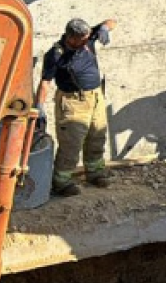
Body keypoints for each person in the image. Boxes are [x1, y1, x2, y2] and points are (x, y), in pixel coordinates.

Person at [37, 18, 118, 197]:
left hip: (95, 97)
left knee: (97, 136)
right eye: (83, 39)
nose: (87, 41)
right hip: (73, 102)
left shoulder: (88, 38)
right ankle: (61, 182)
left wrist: (104, 28)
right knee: (71, 144)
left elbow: (112, 22)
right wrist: (39, 107)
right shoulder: (56, 54)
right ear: (72, 38)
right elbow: (45, 82)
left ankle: (95, 172)